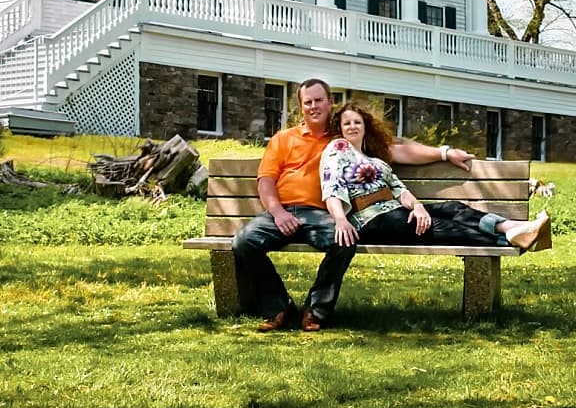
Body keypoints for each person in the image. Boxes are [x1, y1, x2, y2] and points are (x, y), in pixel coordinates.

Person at [232, 78, 474, 333]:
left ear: (330, 103)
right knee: (244, 243)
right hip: (281, 212)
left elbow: (399, 151)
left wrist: (445, 153)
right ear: (301, 107)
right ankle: (278, 307)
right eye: (308, 102)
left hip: (321, 214)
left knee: (344, 240)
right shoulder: (284, 139)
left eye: (319, 101)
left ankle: (316, 310)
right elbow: (266, 183)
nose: (314, 106)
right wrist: (278, 212)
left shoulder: (343, 138)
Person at [321, 101, 551, 251]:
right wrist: (340, 219)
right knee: (440, 227)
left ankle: (512, 228)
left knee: (452, 208)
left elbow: (400, 189)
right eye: (347, 123)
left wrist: (418, 207)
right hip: (370, 220)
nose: (352, 126)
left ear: (365, 126)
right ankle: (509, 239)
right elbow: (332, 186)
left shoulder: (377, 160)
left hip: (395, 212)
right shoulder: (337, 149)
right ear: (340, 128)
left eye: (357, 122)